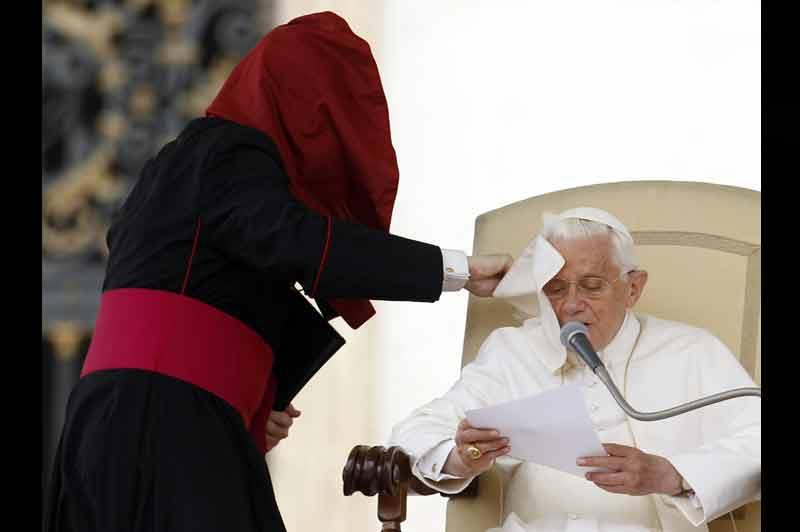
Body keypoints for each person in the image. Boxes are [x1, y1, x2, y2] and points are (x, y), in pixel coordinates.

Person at [43, 11, 512, 532]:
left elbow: (189, 286)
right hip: (164, 425)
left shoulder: (182, 165)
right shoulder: (227, 150)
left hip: (131, 421)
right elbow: (294, 240)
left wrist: (251, 395)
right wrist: (458, 270)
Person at [388, 207, 760, 532]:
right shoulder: (514, 350)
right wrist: (463, 456)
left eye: (592, 286)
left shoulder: (690, 350)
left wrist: (673, 474)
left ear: (633, 288)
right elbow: (414, 433)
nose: (571, 305)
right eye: (554, 289)